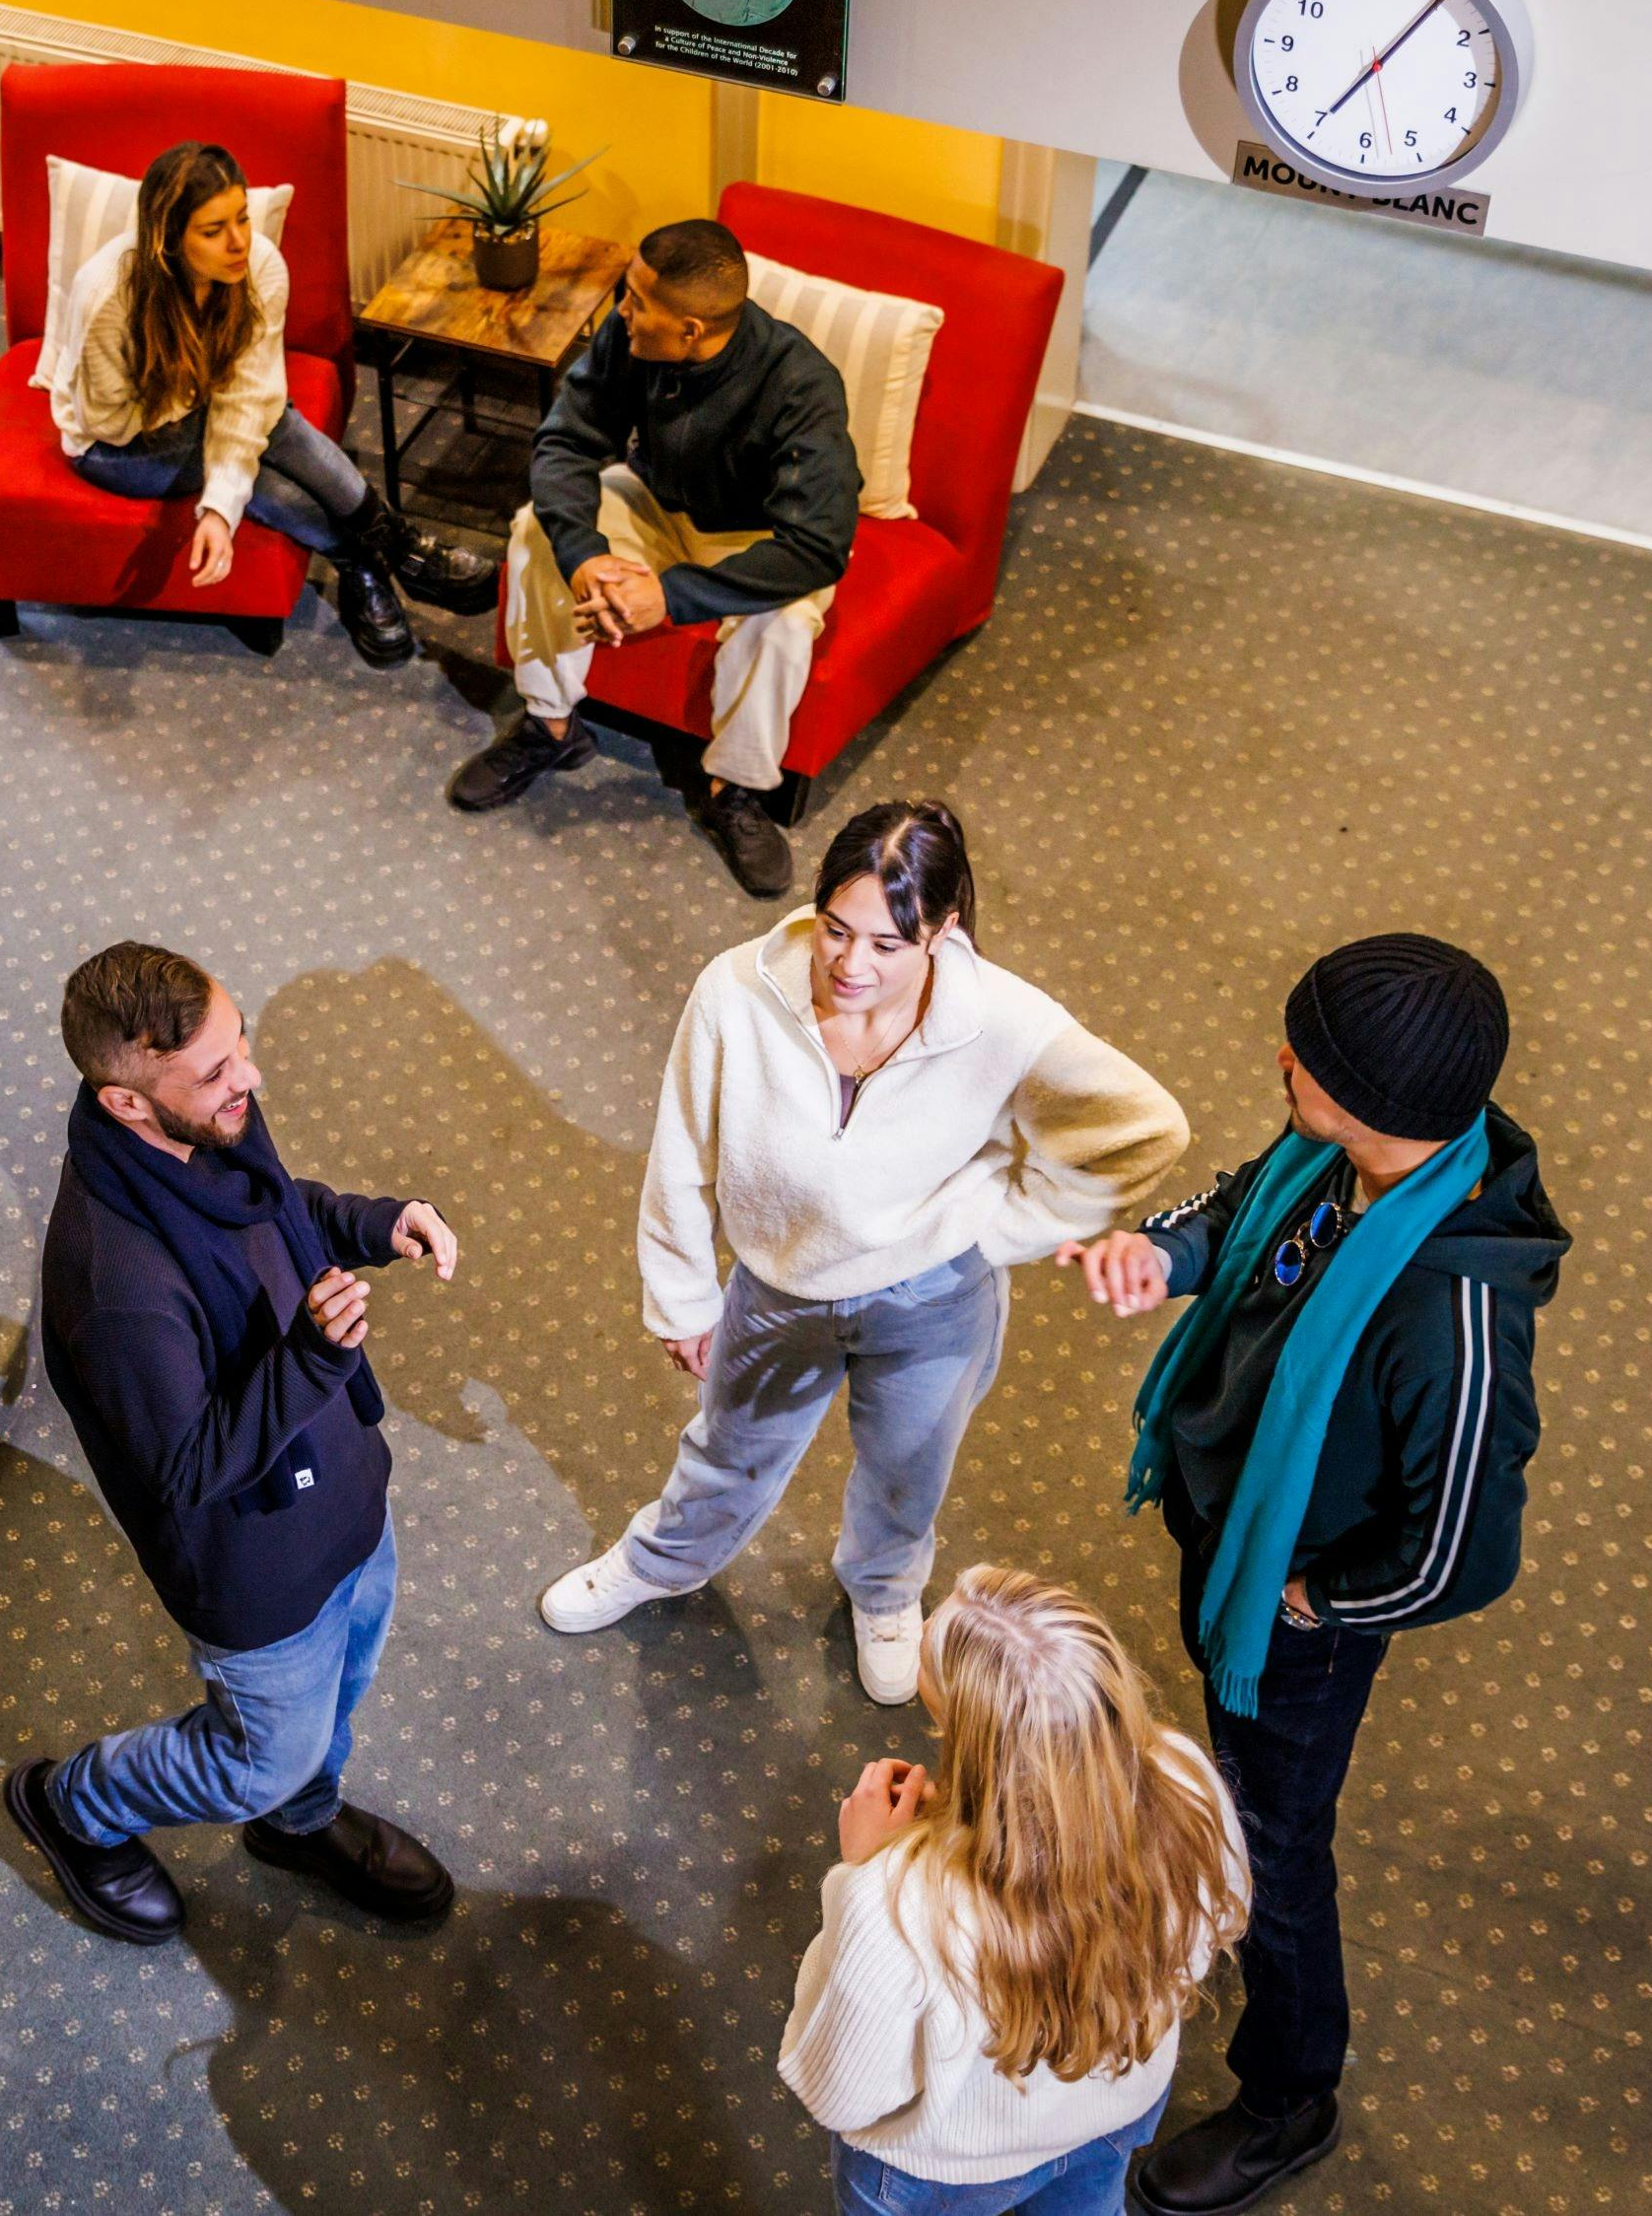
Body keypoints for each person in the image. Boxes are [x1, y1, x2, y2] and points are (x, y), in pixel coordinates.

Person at [1054, 935, 1566, 2215]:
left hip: (1298, 1620)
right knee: (1234, 1786)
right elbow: (1239, 1210)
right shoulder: (1344, 1157)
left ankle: (1290, 2096)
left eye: (1310, 1058)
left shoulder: (1454, 1324)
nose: (1283, 1058)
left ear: (1375, 1104)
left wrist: (1308, 1603)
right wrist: (1162, 1257)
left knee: (1279, 1851)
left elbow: (1459, 1555)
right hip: (1235, 1537)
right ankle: (1213, 1872)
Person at [537, 802, 1189, 1703]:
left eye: (888, 944)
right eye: (837, 930)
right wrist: (683, 1299)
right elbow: (681, 1155)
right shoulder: (735, 992)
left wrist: (1006, 1230)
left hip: (934, 1299)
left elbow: (1146, 1129)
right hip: (780, 1287)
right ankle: (663, 1560)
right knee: (727, 1450)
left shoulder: (1002, 1019)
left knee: (907, 1471)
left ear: (942, 930)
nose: (851, 964)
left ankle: (884, 1594)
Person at [4, 939, 468, 1944]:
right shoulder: (114, 1281)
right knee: (259, 1755)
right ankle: (71, 1803)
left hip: (344, 1494)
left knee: (339, 1696)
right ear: (126, 1101)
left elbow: (276, 1214)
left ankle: (299, 1824)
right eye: (217, 1069)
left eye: (240, 1042)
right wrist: (314, 1358)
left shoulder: (211, 1127)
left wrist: (373, 1224)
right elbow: (185, 1470)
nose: (248, 1078)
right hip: (255, 1574)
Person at [778, 1565, 1252, 2216]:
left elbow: (841, 2094)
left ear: (974, 1741)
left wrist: (861, 1869)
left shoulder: (896, 1901)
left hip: (948, 2166)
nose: (929, 1622)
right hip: (1114, 2111)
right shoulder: (1185, 1777)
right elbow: (1218, 1922)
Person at [446, 216, 860, 896]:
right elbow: (566, 442)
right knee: (535, 530)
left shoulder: (802, 385)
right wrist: (585, 556)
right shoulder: (631, 335)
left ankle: (734, 790)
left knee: (785, 623)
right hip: (654, 500)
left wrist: (667, 596)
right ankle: (551, 725)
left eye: (637, 301)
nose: (621, 311)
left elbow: (817, 546)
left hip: (752, 536)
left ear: (690, 330)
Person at [50, 141, 495, 665]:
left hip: (190, 417)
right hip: (119, 449)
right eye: (213, 231)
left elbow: (247, 402)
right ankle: (388, 551)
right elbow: (107, 420)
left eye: (242, 217)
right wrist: (207, 410)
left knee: (261, 422)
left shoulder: (259, 267)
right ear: (168, 238)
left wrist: (220, 497)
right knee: (267, 424)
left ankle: (369, 559)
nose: (239, 241)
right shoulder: (109, 296)